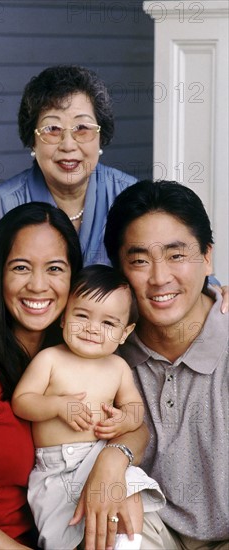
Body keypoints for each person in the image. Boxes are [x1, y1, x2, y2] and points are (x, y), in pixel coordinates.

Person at [0, 203, 151, 550]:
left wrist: (112, 464)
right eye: (21, 267)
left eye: (55, 268)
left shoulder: (74, 350)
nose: (38, 285)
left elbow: (136, 426)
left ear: (73, 279)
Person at [104, 180, 229, 549]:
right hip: (153, 525)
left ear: (207, 257)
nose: (159, 278)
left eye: (176, 256)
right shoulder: (105, 347)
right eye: (139, 260)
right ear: (118, 269)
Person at [12, 265, 166, 550]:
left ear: (125, 332)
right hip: (57, 469)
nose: (92, 328)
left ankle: (125, 544)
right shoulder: (50, 359)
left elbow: (134, 407)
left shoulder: (118, 367)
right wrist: (56, 406)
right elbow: (22, 401)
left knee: (125, 504)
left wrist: (124, 421)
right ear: (63, 317)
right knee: (71, 532)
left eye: (108, 323)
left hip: (100, 456)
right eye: (81, 315)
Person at [0, 64, 137, 266]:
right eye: (53, 129)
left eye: (82, 128)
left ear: (101, 136)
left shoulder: (128, 194)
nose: (68, 145)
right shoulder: (6, 202)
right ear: (32, 139)